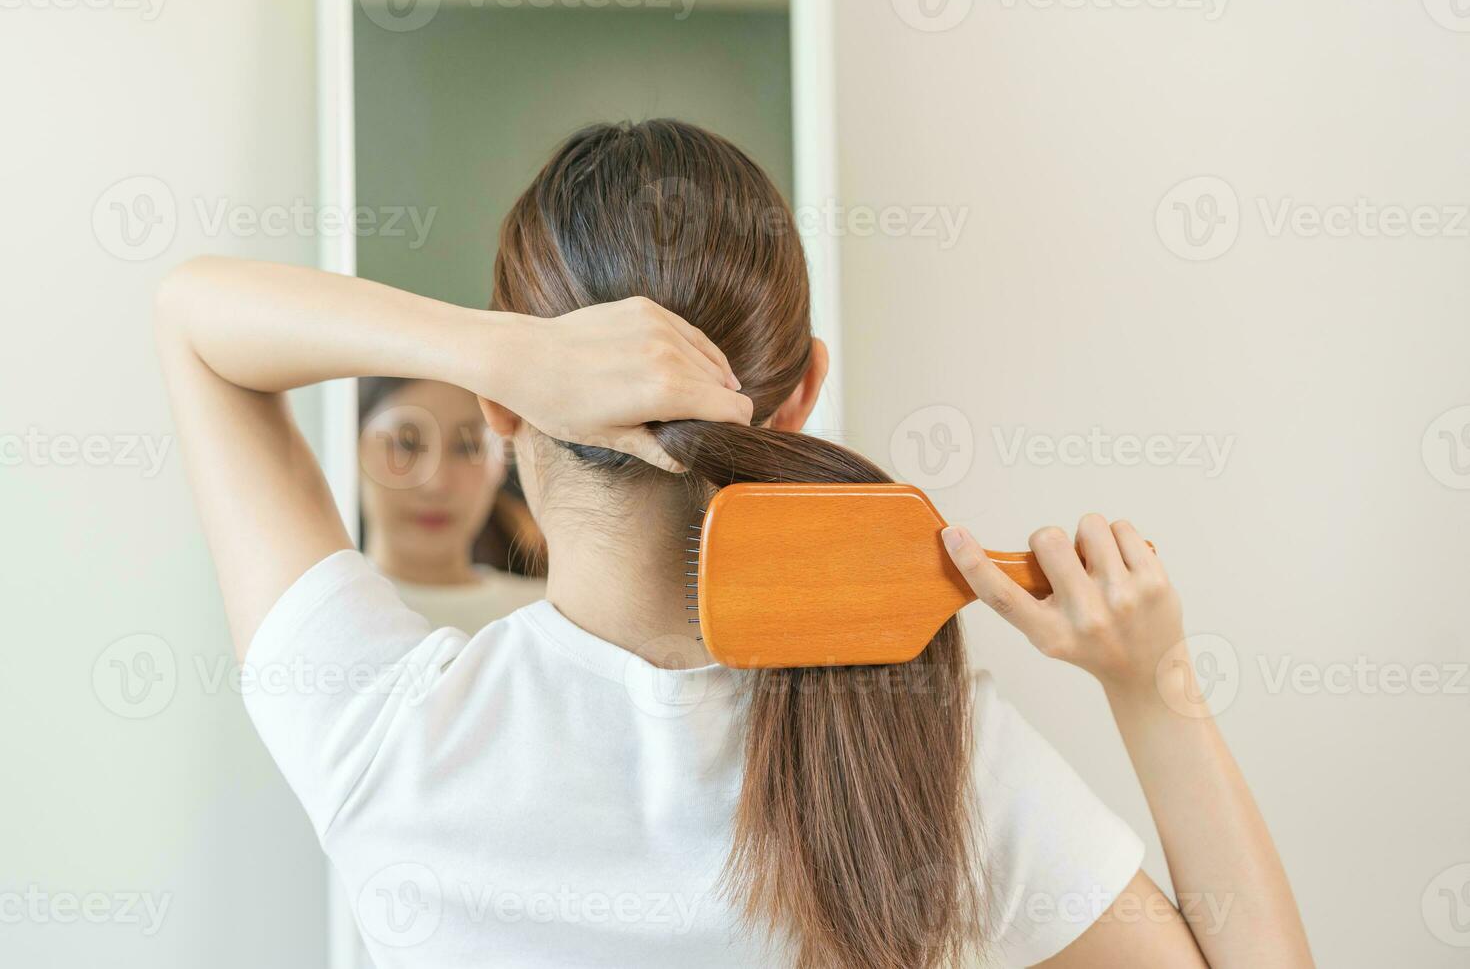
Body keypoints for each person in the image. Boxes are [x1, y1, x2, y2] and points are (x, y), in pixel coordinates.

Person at [154, 119, 1313, 968]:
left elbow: (196, 323)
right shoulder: (930, 757)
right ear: (802, 390)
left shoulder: (376, 729)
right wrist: (1154, 688)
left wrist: (494, 352)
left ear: (499, 412)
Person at [357, 376, 545, 634]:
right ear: (353, 449)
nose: (435, 484)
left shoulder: (548, 617)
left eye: (466, 447)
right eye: (406, 444)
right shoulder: (320, 608)